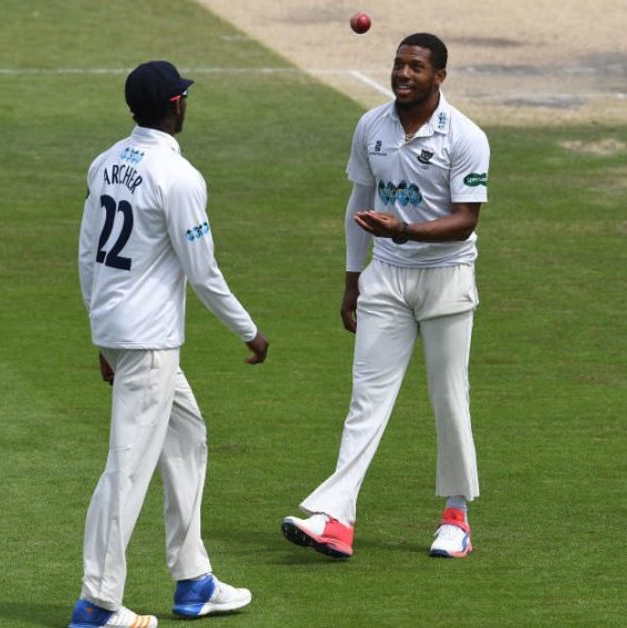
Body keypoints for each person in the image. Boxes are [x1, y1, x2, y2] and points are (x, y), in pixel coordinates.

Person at [69, 60, 269, 628]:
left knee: (186, 438)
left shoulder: (106, 162)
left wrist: (103, 339)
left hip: (123, 333)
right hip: (150, 343)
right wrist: (248, 330)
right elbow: (202, 272)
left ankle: (194, 581)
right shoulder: (178, 178)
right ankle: (97, 605)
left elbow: (89, 258)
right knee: (127, 469)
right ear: (176, 105)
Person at [282, 33, 490, 560]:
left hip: (445, 277)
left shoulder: (465, 137)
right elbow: (359, 199)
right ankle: (336, 519)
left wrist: (403, 230)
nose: (402, 74)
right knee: (366, 402)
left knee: (448, 398)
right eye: (398, 64)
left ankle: (456, 517)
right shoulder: (370, 126)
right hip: (387, 277)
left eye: (415, 67)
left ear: (438, 76)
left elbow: (465, 222)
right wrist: (353, 280)